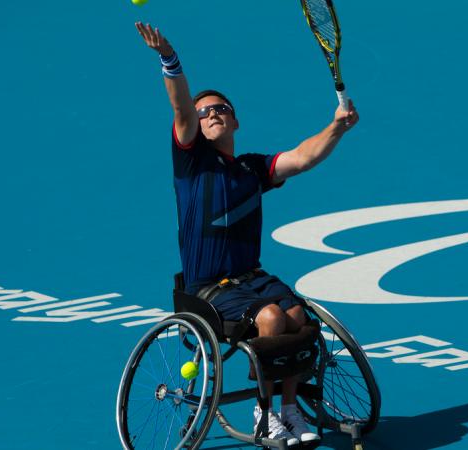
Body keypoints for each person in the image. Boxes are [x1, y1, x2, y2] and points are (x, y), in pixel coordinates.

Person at [136, 22, 359, 446]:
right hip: (208, 289)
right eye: (205, 113)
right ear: (196, 128)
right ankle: (264, 412)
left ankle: (290, 410)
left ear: (235, 120)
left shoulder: (251, 168)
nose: (211, 114)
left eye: (220, 108)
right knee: (273, 318)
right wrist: (169, 57)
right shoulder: (191, 164)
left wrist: (336, 128)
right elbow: (181, 108)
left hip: (253, 278)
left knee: (297, 318)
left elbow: (301, 159)